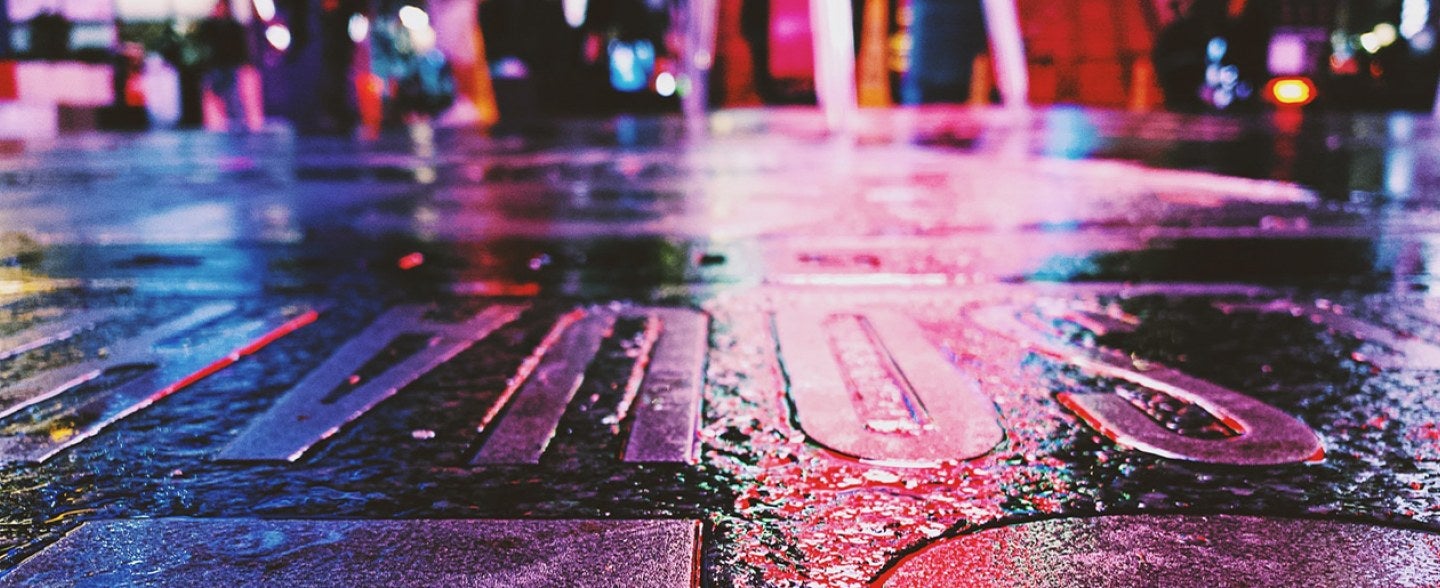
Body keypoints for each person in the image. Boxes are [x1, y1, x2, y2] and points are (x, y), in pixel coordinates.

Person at [195, 2, 250, 130]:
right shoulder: (210, 26)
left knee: (232, 92)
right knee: (217, 90)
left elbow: (241, 45)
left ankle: (236, 119)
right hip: (216, 63)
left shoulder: (233, 26)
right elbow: (202, 40)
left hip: (230, 63)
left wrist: (243, 60)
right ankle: (230, 117)